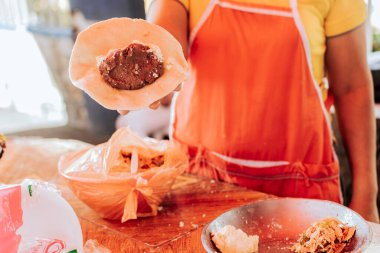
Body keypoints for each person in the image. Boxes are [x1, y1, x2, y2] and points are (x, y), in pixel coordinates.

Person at [139, 0, 379, 222]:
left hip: (302, 195)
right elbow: (164, 46)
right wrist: (149, 73)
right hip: (201, 184)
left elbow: (352, 88)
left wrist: (366, 196)